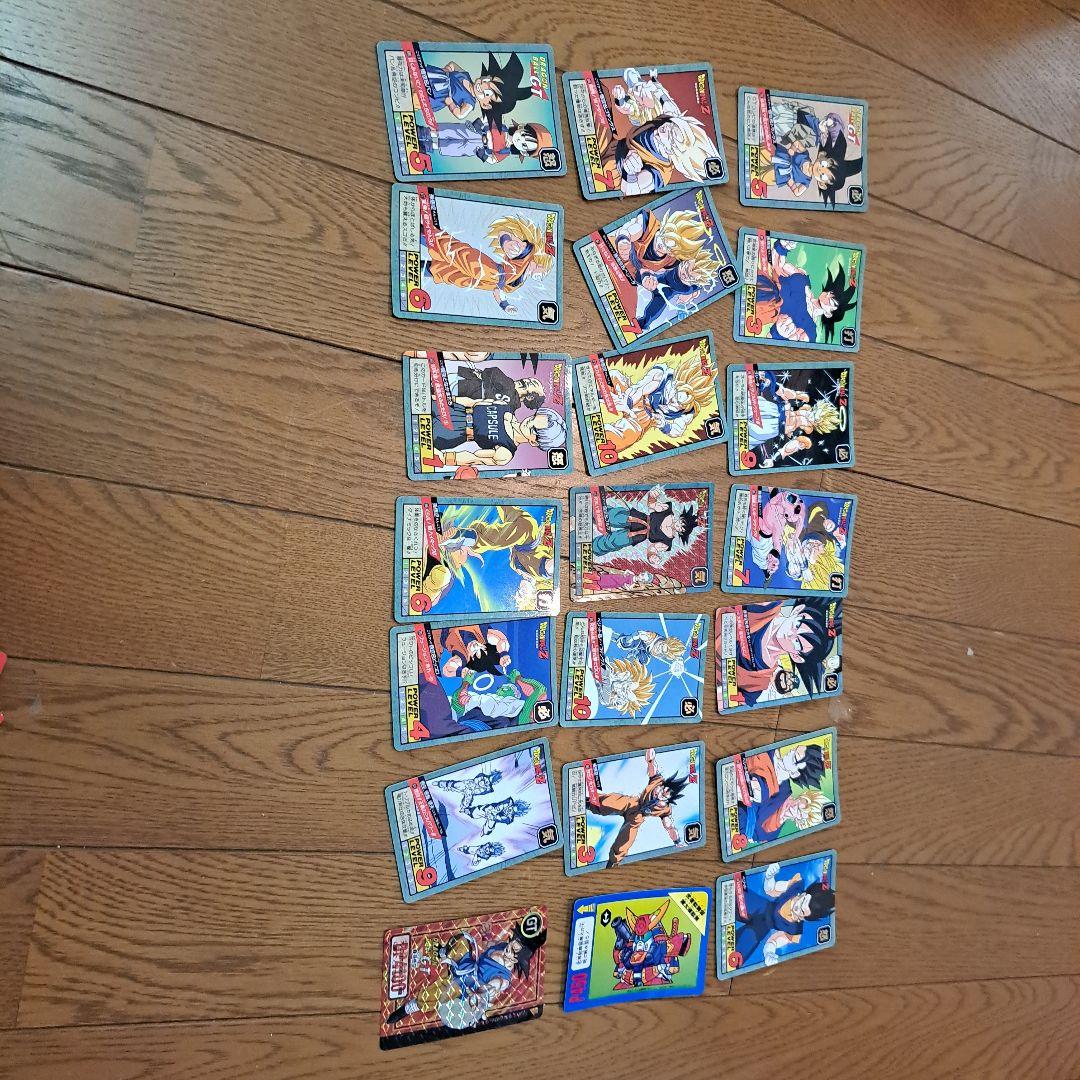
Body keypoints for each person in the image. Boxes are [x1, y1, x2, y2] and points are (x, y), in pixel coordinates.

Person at [587, 747, 688, 867]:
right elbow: (652, 767)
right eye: (662, 789)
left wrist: (677, 841)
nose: (660, 793)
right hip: (632, 803)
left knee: (625, 841)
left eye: (664, 795)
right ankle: (587, 803)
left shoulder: (665, 809)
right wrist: (650, 759)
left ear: (668, 800)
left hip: (637, 818)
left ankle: (613, 862)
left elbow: (669, 827)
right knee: (609, 802)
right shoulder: (657, 781)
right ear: (662, 785)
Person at [735, 861, 835, 967]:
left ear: (805, 918)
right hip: (758, 905)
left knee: (738, 954)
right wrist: (770, 877)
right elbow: (771, 889)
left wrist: (769, 953)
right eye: (802, 901)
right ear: (804, 894)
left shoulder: (794, 930)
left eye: (802, 911)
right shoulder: (795, 887)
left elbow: (774, 942)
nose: (797, 907)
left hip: (759, 929)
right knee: (734, 894)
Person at [591, 485, 701, 567]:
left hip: (637, 536)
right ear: (681, 518)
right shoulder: (668, 510)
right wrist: (653, 495)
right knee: (614, 516)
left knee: (615, 541)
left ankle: (592, 547)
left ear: (681, 532)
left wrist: (652, 557)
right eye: (682, 523)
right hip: (637, 518)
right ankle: (591, 512)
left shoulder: (667, 542)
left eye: (682, 528)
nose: (678, 526)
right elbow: (652, 504)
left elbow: (652, 549)